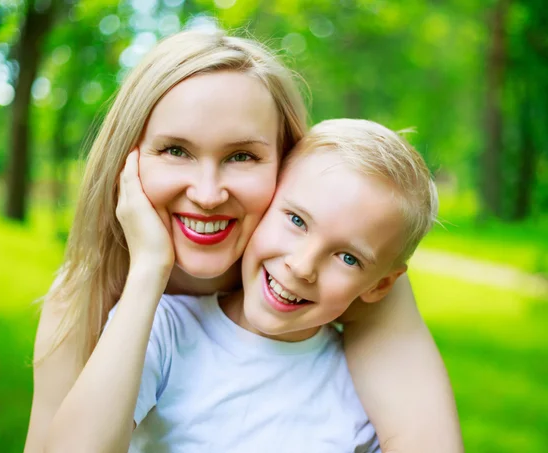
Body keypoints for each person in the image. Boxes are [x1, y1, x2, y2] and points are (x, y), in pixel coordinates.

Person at [24, 30, 462, 453]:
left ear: (286, 160)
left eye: (242, 156)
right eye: (176, 150)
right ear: (128, 159)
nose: (208, 194)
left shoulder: (346, 279)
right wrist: (148, 271)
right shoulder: (91, 300)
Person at [116, 118, 437, 453]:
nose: (302, 267)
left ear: (380, 285)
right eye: (297, 220)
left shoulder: (365, 400)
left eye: (347, 257)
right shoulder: (161, 330)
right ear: (265, 202)